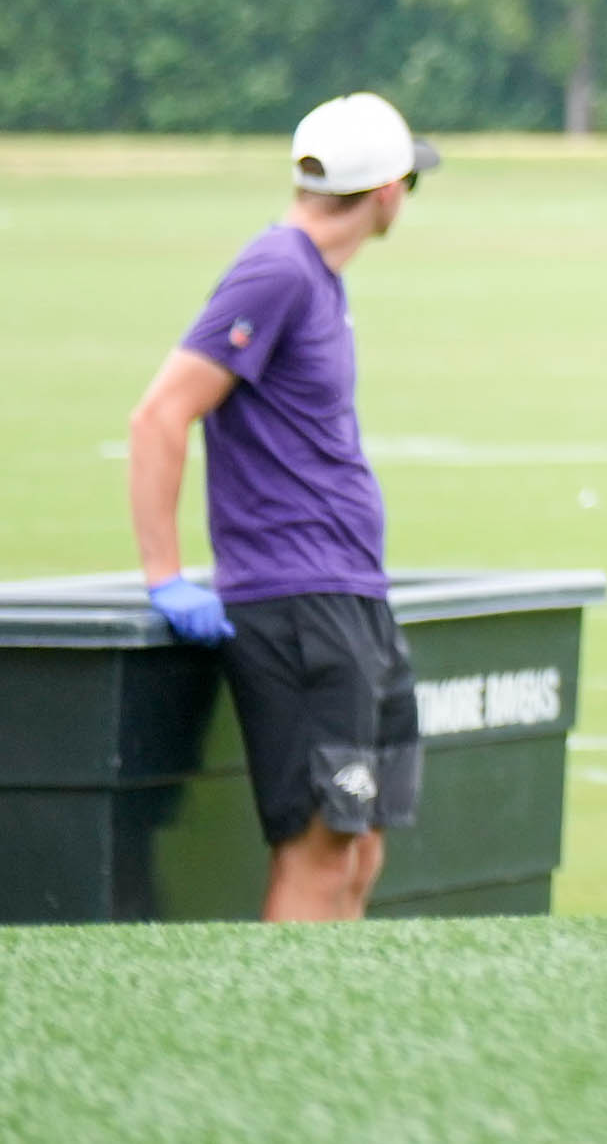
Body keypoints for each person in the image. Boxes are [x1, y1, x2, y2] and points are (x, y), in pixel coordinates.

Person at [123, 93, 440, 922]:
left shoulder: (318, 281)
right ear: (386, 192)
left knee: (359, 840)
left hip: (351, 597)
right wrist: (166, 576)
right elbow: (160, 413)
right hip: (297, 607)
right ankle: (276, 1044)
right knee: (317, 850)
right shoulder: (277, 270)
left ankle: (334, 1034)